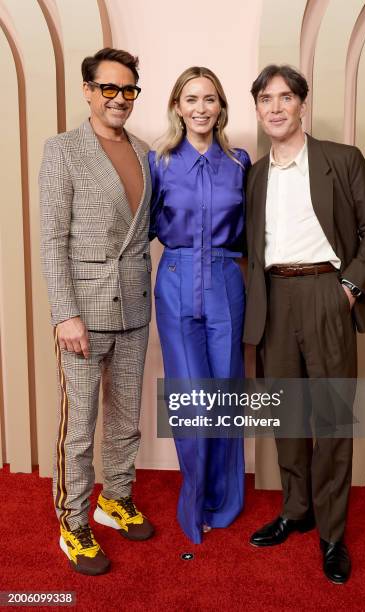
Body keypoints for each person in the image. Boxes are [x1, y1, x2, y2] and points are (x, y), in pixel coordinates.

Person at [244, 64, 365, 583]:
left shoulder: (341, 160)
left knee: (329, 418)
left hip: (329, 294)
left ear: (303, 103)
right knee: (284, 415)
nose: (276, 107)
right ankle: (296, 509)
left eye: (286, 97)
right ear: (257, 108)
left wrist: (349, 287)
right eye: (266, 99)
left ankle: (332, 533)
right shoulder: (254, 174)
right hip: (274, 298)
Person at [39, 47, 154, 576]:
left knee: (126, 420)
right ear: (88, 90)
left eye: (128, 89)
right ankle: (73, 522)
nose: (119, 98)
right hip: (82, 313)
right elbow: (51, 239)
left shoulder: (146, 151)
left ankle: (117, 497)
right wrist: (65, 312)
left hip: (134, 306)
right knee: (80, 428)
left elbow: (146, 230)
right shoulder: (62, 150)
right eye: (109, 88)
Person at [149, 66, 251, 544]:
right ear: (177, 106)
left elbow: (254, 230)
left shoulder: (241, 162)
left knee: (225, 395)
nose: (201, 108)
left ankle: (224, 500)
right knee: (192, 400)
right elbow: (143, 226)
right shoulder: (160, 162)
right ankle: (194, 501)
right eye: (191, 99)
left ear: (221, 106)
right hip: (175, 279)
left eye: (209, 99)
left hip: (227, 279)